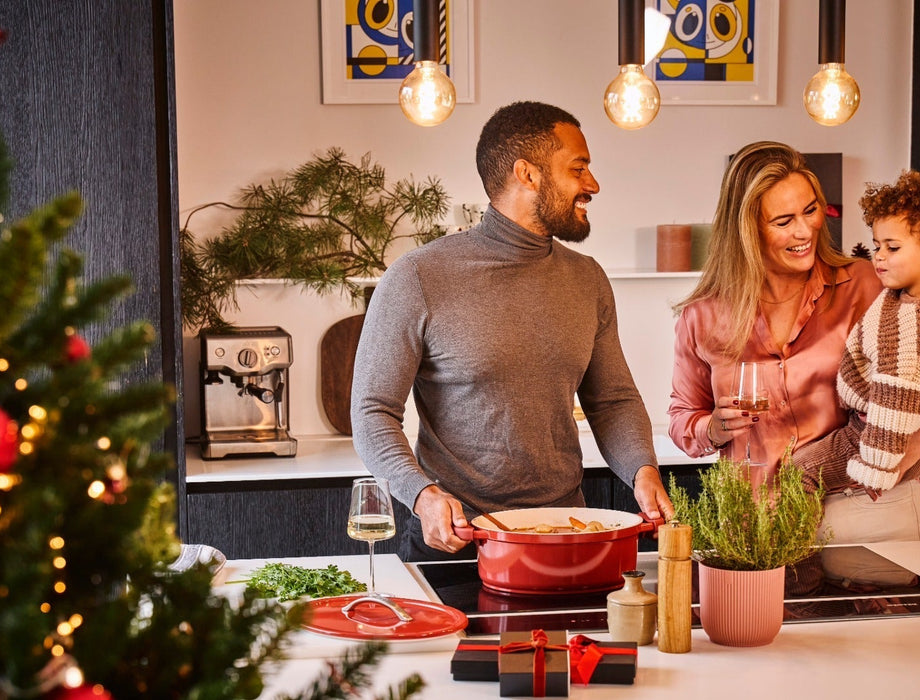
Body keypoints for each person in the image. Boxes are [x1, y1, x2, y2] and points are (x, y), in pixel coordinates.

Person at [350, 101, 673, 561]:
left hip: (566, 537)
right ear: (528, 174)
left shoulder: (587, 279)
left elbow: (613, 399)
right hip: (458, 542)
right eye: (578, 168)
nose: (592, 184)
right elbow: (371, 411)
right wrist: (422, 494)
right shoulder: (419, 277)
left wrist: (643, 470)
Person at [668, 141, 882, 488]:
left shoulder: (861, 285)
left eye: (811, 211)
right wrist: (714, 428)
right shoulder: (702, 316)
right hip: (755, 521)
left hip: (849, 507)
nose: (804, 231)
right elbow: (682, 417)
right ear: (747, 230)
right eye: (784, 221)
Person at [790, 171, 920, 583]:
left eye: (893, 247)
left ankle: (802, 580)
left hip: (872, 435)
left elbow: (896, 397)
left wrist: (877, 467)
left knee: (798, 474)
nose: (878, 257)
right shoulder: (895, 300)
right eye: (877, 245)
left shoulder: (906, 322)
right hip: (867, 426)